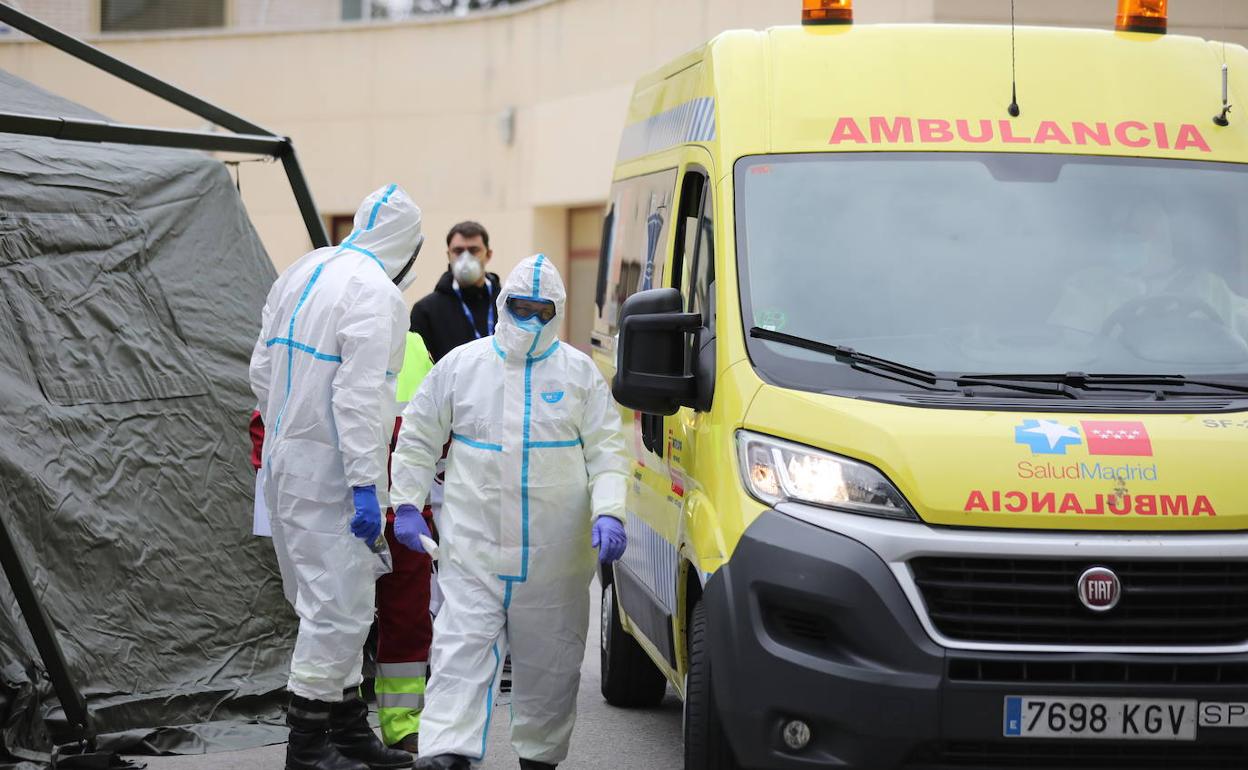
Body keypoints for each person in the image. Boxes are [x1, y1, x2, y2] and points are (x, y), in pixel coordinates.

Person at [389, 254, 629, 770]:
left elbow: (608, 451)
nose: (531, 320)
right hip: (473, 551)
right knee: (457, 655)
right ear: (504, 304)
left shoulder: (579, 374)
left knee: (551, 667)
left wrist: (610, 510)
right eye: (521, 307)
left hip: (554, 561)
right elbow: (417, 436)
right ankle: (444, 755)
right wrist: (406, 503)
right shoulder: (463, 366)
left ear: (557, 311)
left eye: (543, 311)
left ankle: (538, 760)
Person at [249, 184, 424, 770]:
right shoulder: (377, 294)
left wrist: (286, 431)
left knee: (328, 603)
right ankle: (306, 751)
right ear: (408, 248)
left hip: (286, 465)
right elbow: (360, 399)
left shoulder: (305, 269)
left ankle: (348, 731)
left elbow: (260, 368)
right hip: (334, 475)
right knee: (336, 610)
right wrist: (365, 483)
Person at [374, 332, 436, 754]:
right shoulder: (318, 335)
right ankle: (333, 721)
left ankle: (402, 726)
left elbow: (441, 425)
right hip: (342, 511)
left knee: (408, 623)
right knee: (337, 624)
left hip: (405, 515)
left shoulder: (415, 346)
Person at [409, 221, 502, 362]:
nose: (465, 258)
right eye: (458, 251)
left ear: (488, 255)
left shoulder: (506, 303)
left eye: (473, 250)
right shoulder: (426, 310)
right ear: (449, 255)